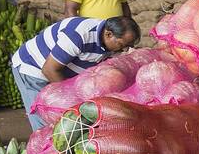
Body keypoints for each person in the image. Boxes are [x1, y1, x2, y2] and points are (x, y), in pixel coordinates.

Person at [11, 16, 139, 130]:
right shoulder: (79, 35)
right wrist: (72, 97)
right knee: (46, 120)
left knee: (67, 121)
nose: (124, 49)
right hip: (33, 69)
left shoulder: (110, 42)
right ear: (109, 34)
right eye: (122, 44)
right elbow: (49, 70)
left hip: (60, 71)